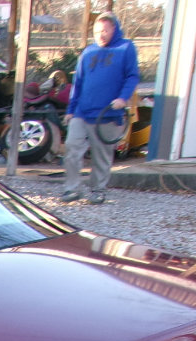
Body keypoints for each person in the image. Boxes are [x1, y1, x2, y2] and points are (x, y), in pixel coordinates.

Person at [61, 12, 139, 204]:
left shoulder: (125, 48)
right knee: (72, 147)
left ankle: (98, 189)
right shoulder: (88, 52)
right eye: (97, 31)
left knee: (101, 155)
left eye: (104, 30)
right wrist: (71, 110)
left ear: (114, 29)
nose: (101, 35)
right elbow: (77, 82)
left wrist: (123, 98)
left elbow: (132, 76)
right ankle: (72, 189)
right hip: (82, 110)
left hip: (108, 112)